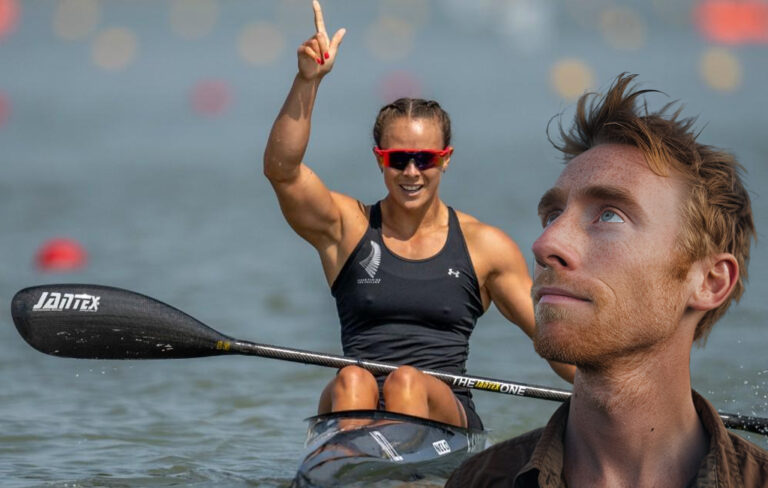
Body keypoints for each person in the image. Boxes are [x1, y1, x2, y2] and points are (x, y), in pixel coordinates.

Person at [263, 1, 575, 431]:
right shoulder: (347, 228)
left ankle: (393, 469)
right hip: (356, 402)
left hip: (445, 416)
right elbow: (282, 173)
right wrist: (307, 79)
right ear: (380, 160)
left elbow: (553, 342)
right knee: (353, 378)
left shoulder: (485, 247)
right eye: (399, 158)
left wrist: (622, 392)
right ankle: (358, 465)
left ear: (445, 160)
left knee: (407, 382)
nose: (411, 172)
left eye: (424, 159)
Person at [446, 73, 768, 486]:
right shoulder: (477, 481)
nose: (545, 243)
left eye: (610, 215)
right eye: (552, 215)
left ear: (709, 281)